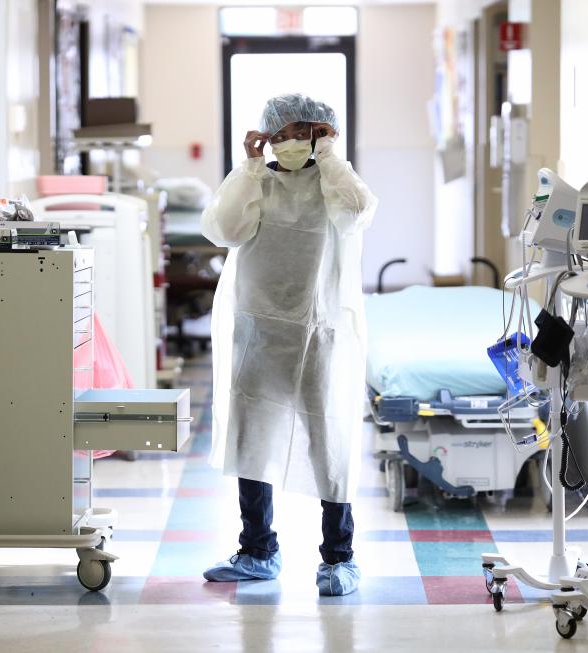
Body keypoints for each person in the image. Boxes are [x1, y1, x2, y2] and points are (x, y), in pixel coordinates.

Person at [199, 93, 377, 596]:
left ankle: (339, 558)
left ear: (326, 136)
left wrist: (331, 158)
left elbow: (359, 211)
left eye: (309, 133)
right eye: (286, 133)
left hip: (321, 332)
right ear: (268, 136)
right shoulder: (257, 182)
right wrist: (251, 168)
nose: (295, 142)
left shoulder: (336, 184)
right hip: (260, 329)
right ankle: (257, 550)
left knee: (330, 441)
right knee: (251, 440)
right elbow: (224, 229)